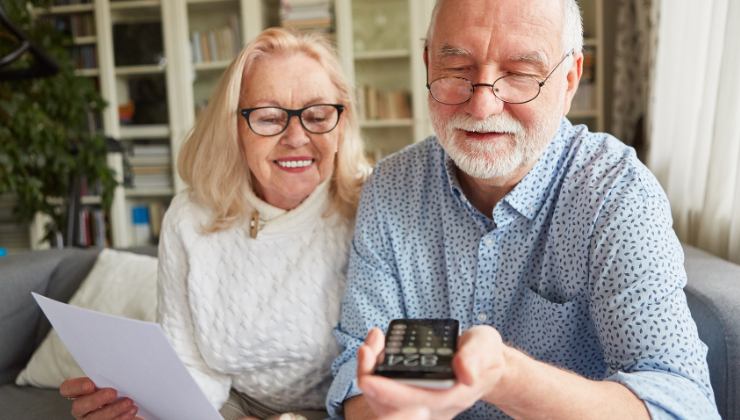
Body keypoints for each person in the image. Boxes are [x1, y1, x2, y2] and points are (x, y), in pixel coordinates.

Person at [326, 0, 721, 419]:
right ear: (427, 64)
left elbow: (683, 404)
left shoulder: (616, 194)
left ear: (569, 79)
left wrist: (507, 377)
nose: (482, 106)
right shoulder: (390, 187)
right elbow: (357, 366)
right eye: (458, 69)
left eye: (519, 75)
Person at [59, 27, 370, 420]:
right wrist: (140, 410)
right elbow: (189, 366)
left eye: (318, 115)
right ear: (234, 127)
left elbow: (385, 373)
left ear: (341, 124)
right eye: (269, 117)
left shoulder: (372, 205)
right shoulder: (189, 218)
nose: (296, 137)